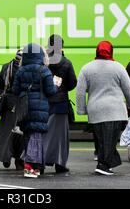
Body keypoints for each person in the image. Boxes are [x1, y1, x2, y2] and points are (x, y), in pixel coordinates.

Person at [76, 40, 130, 176]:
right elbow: (128, 89)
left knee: (102, 139)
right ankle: (103, 165)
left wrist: (82, 110)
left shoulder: (87, 68)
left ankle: (104, 164)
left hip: (95, 110)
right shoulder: (118, 67)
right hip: (115, 110)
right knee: (110, 139)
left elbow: (80, 91)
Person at [12, 43, 58, 179]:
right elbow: (50, 91)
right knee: (36, 137)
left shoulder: (21, 70)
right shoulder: (44, 71)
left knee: (28, 136)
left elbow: (15, 90)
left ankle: (36, 166)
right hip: (40, 107)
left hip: (25, 108)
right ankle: (30, 167)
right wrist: (56, 85)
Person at [43, 34, 77, 174]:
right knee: (61, 138)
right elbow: (72, 83)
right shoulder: (66, 62)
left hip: (43, 103)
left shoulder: (43, 61)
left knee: (42, 135)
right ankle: (60, 164)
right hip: (60, 104)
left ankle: (39, 162)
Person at [0, 49, 24, 170]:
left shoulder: (6, 66)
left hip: (7, 103)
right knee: (18, 133)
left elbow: (0, 84)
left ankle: (5, 157)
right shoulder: (23, 69)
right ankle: (18, 159)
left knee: (5, 132)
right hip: (19, 103)